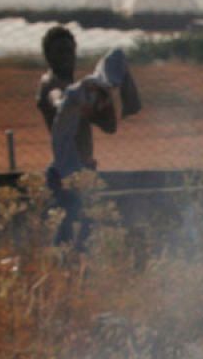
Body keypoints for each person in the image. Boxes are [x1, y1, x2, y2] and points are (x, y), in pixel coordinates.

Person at [36, 25, 140, 245]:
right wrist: (66, 102)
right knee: (70, 235)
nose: (66, 56)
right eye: (59, 51)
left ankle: (71, 274)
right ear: (48, 56)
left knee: (82, 234)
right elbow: (54, 99)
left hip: (84, 169)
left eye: (69, 50)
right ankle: (62, 274)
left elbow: (107, 126)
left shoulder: (77, 91)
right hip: (67, 171)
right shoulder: (51, 83)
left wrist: (105, 106)